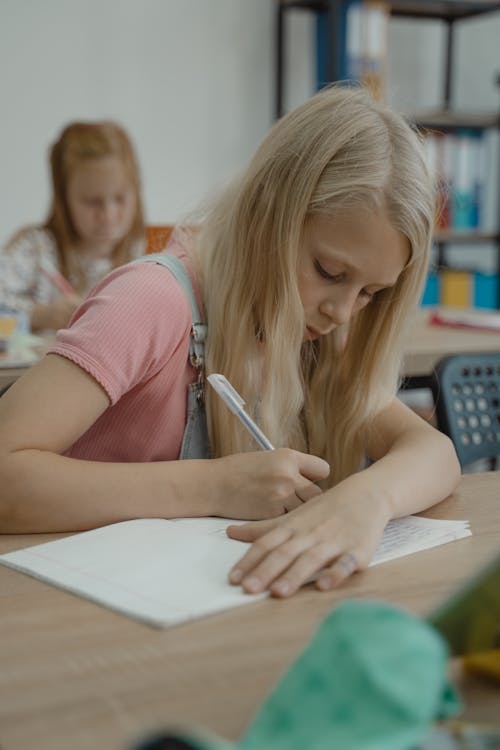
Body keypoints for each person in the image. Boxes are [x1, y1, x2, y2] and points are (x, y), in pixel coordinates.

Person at [0, 86, 460, 599]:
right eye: (329, 271)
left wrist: (367, 500)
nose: (343, 310)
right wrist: (215, 486)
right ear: (268, 214)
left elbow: (433, 450)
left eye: (372, 292)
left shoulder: (320, 329)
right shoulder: (151, 300)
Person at [0, 121, 146, 331]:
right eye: (92, 201)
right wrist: (39, 315)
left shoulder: (145, 253)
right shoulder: (38, 249)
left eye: (120, 199)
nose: (108, 214)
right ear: (64, 200)